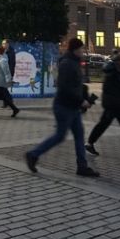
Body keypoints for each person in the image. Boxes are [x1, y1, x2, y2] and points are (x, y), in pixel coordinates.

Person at [25, 38, 99, 177]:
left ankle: (82, 167)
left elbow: (77, 85)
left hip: (73, 107)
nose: (83, 51)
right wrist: (80, 101)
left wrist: (84, 99)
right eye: (82, 49)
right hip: (64, 107)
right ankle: (33, 154)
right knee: (60, 136)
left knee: (79, 135)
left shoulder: (74, 63)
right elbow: (64, 87)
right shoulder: (67, 64)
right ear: (75, 50)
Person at [1, 39, 16, 108]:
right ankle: (7, 103)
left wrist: (10, 74)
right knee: (3, 89)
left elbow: (12, 64)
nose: (3, 45)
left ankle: (8, 102)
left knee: (4, 88)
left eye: (4, 43)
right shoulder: (2, 51)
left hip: (7, 73)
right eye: (2, 43)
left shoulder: (11, 52)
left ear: (7, 44)